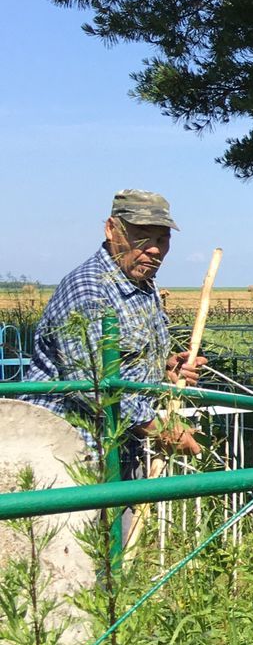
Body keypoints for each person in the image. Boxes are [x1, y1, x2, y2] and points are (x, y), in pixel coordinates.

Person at [24, 190, 205, 466]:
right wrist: (160, 430)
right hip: (67, 454)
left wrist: (165, 369)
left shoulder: (142, 284)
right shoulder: (90, 290)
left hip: (120, 449)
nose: (154, 249)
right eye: (142, 236)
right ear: (112, 229)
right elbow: (93, 385)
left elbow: (125, 360)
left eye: (162, 239)